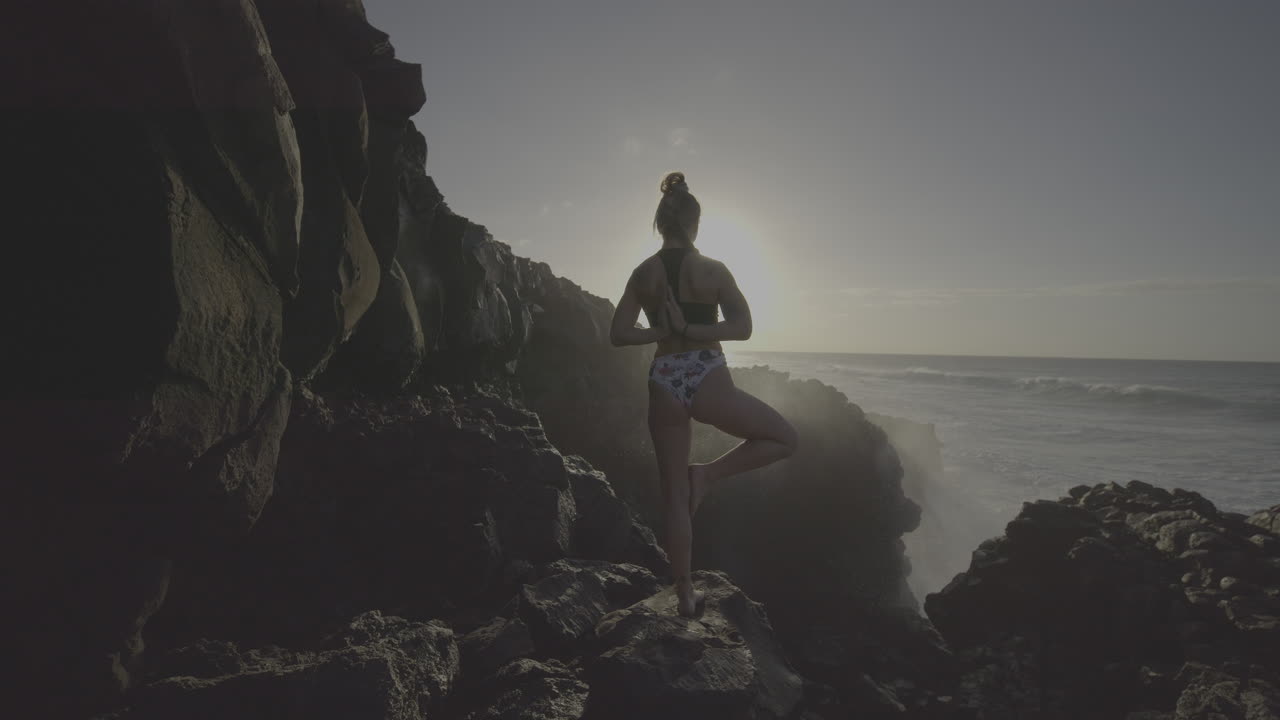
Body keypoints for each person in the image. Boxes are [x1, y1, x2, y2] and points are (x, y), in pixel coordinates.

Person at [609, 171, 799, 617]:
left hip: (664, 378)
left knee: (674, 495)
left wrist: (660, 331)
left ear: (660, 223)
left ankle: (684, 595)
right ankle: (709, 475)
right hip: (708, 374)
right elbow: (743, 327)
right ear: (694, 224)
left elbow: (618, 334)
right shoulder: (713, 269)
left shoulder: (643, 273)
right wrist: (694, 329)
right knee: (784, 438)